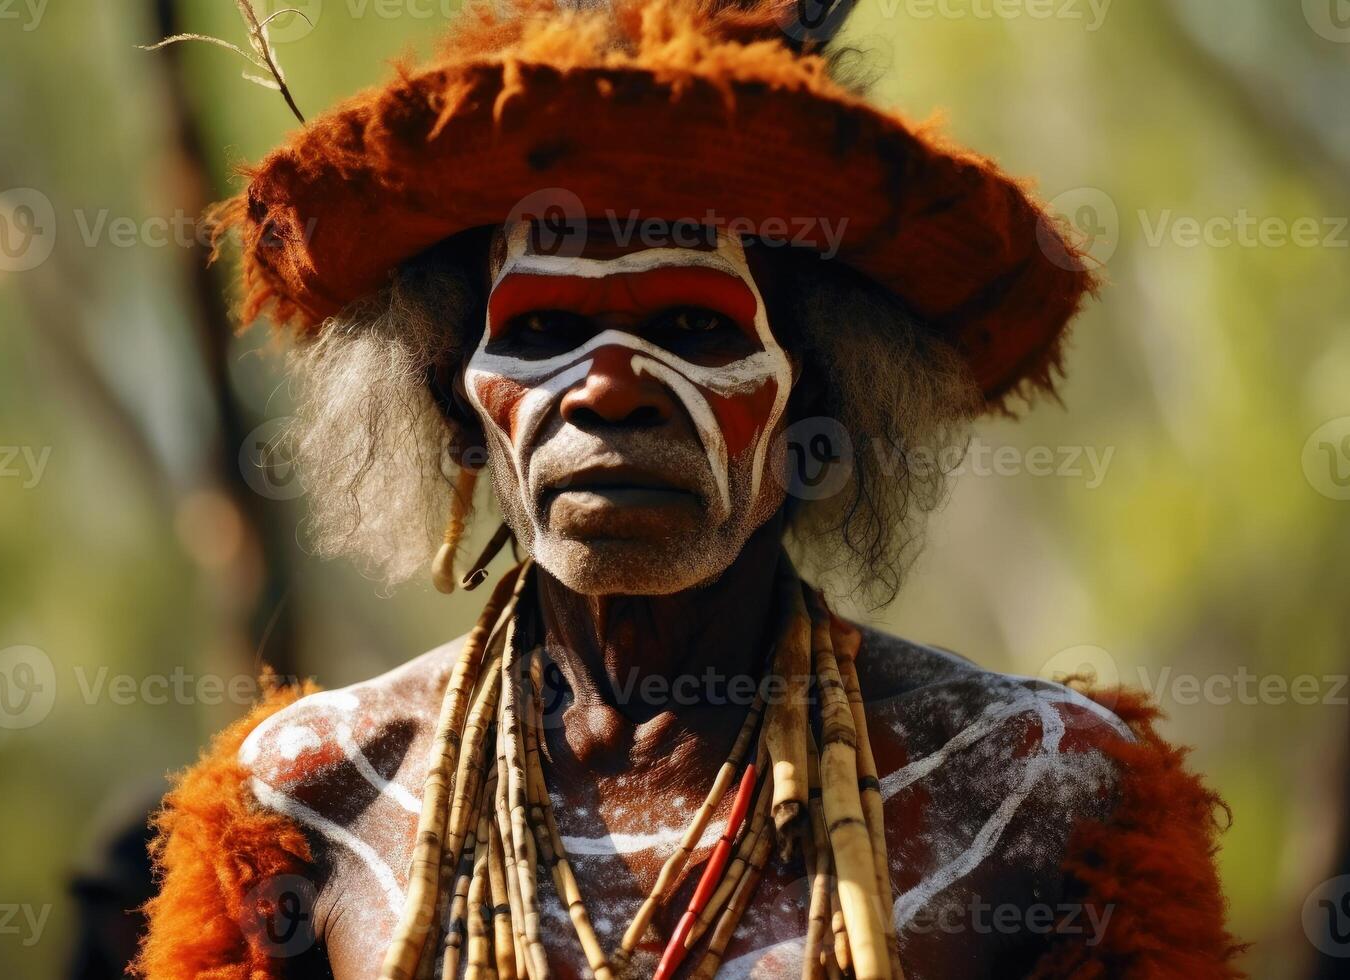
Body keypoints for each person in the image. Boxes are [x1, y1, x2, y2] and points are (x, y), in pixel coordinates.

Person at [133, 1, 1241, 977]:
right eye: (547, 330)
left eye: (693, 327)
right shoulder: (310, 805)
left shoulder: (1031, 798)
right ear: (456, 410)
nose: (610, 386)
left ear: (818, 413)